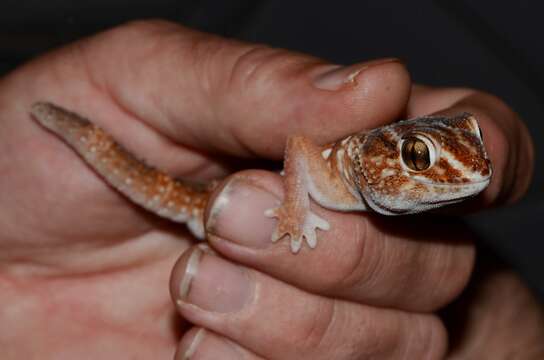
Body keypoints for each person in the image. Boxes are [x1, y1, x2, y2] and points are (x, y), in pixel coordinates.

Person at [0, 20, 542, 359]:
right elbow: (303, 145)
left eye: (469, 143)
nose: (475, 169)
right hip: (210, 203)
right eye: (420, 158)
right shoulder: (343, 167)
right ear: (378, 159)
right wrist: (292, 212)